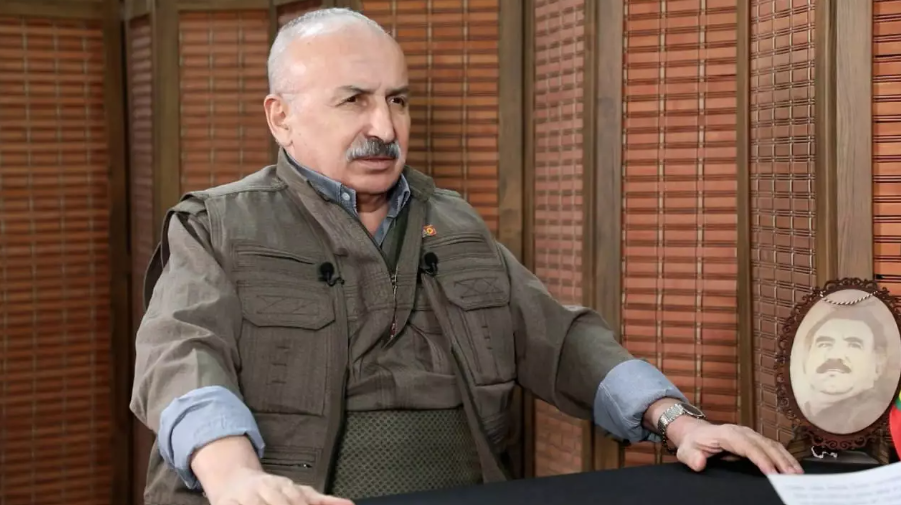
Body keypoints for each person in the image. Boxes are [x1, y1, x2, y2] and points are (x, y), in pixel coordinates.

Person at [130, 8, 802, 505]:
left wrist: (676, 420)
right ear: (280, 117)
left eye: (396, 100)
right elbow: (180, 354)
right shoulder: (217, 225)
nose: (384, 128)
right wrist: (233, 475)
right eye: (354, 101)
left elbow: (559, 338)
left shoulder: (451, 221)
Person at [796, 309, 891, 434]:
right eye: (824, 344)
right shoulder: (801, 412)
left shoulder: (877, 421)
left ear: (879, 363)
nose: (835, 355)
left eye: (854, 345)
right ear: (806, 358)